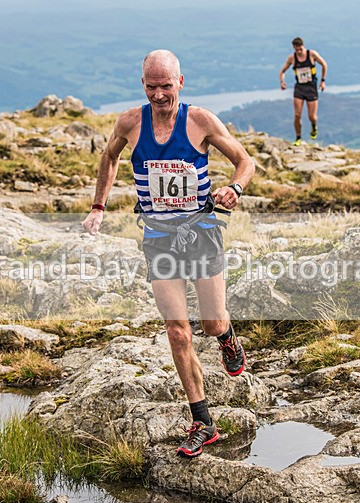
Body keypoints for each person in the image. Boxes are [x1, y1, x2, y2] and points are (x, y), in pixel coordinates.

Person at [82, 49, 254, 458]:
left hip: (202, 232)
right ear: (143, 85)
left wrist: (235, 188)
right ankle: (203, 422)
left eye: (166, 85)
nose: (159, 94)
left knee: (211, 323)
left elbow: (245, 161)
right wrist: (98, 206)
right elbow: (109, 157)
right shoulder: (130, 122)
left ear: (180, 82)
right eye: (151, 86)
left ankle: (226, 336)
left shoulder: (200, 121)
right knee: (178, 331)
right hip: (159, 238)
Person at [279, 36, 328, 145]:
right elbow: (282, 71)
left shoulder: (312, 54)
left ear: (303, 46)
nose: (299, 52)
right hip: (299, 88)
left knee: (312, 116)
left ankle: (314, 126)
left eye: (300, 49)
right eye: (296, 50)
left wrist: (322, 81)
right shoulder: (292, 58)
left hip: (311, 87)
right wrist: (282, 82)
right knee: (297, 115)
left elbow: (324, 64)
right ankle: (298, 138)